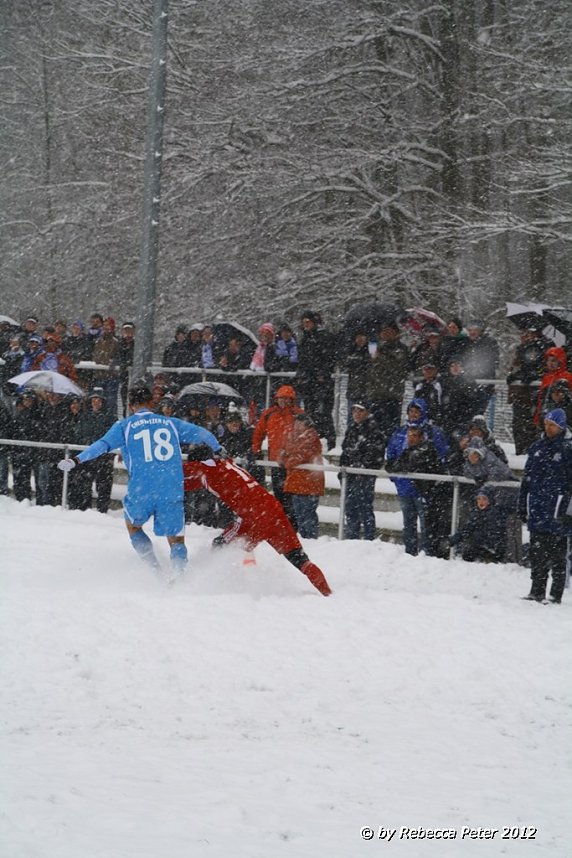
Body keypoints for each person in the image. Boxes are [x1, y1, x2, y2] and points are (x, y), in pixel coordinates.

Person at [57, 382, 221, 574]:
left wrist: (76, 460)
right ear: (152, 402)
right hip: (170, 486)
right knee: (176, 538)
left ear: (129, 405)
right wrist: (218, 449)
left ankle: (155, 571)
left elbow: (101, 445)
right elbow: (204, 434)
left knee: (134, 527)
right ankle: (179, 575)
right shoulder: (171, 423)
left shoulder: (124, 426)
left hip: (142, 487)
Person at [183, 446, 332, 596]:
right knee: (299, 559)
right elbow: (195, 481)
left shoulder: (206, 468)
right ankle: (328, 593)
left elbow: (179, 472)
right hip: (273, 511)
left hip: (253, 516)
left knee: (220, 545)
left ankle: (212, 584)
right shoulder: (226, 464)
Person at [518, 409, 572, 604]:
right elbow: (526, 480)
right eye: (547, 424)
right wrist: (522, 505)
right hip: (537, 508)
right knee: (537, 553)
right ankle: (536, 590)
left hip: (558, 509)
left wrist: (568, 510)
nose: (548, 428)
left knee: (558, 555)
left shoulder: (568, 449)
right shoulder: (537, 447)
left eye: (553, 425)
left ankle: (555, 594)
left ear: (561, 426)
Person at [386, 423, 450, 558]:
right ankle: (410, 552)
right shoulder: (407, 451)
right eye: (409, 436)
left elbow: (413, 465)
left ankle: (425, 552)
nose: (411, 438)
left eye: (414, 436)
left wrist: (402, 466)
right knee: (409, 524)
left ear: (421, 437)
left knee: (425, 525)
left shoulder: (428, 450)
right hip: (407, 491)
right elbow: (394, 466)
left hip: (423, 493)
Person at [251, 384, 304, 527]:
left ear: (292, 400)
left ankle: (293, 527)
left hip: (293, 465)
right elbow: (258, 433)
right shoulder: (269, 414)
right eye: (281, 398)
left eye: (287, 399)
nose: (284, 401)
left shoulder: (299, 415)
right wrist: (256, 450)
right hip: (275, 463)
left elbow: (307, 437)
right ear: (276, 399)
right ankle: (282, 526)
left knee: (292, 499)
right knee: (279, 496)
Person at [339, 401, 385, 540]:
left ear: (367, 412)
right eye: (354, 411)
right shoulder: (352, 429)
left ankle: (369, 539)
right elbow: (345, 450)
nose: (356, 414)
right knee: (350, 508)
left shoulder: (374, 431)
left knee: (365, 509)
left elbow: (376, 454)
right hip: (350, 475)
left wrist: (362, 466)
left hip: (365, 476)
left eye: (360, 411)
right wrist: (345, 468)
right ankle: (352, 538)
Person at [506, 325, 555, 454]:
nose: (524, 336)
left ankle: (534, 451)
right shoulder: (521, 349)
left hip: (537, 394)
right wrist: (515, 375)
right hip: (520, 394)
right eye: (523, 333)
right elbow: (516, 367)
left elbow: (548, 366)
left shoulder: (546, 346)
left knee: (534, 424)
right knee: (519, 424)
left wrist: (535, 374)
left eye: (528, 333)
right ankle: (520, 451)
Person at [295, 310, 338, 450]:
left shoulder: (324, 337)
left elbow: (330, 358)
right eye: (304, 322)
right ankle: (313, 440)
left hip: (322, 382)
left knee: (323, 411)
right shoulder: (305, 339)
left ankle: (330, 442)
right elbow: (302, 360)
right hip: (309, 382)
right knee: (310, 411)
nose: (306, 325)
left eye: (308, 322)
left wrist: (322, 372)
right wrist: (301, 375)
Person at [281, 413, 325, 539]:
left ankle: (311, 540)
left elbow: (300, 455)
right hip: (298, 483)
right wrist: (288, 458)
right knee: (301, 516)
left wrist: (287, 460)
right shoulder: (293, 437)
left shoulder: (311, 437)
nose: (296, 425)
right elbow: (285, 453)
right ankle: (307, 540)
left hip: (308, 484)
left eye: (299, 423)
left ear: (306, 424)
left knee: (307, 516)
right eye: (296, 423)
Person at [367, 321, 411, 440]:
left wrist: (380, 357)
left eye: (389, 331)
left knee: (391, 428)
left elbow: (398, 368)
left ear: (396, 333)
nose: (385, 334)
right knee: (374, 428)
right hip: (375, 393)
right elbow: (369, 367)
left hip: (393, 395)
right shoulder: (375, 347)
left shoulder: (401, 348)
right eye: (383, 331)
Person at [448, 486, 507, 563]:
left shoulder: (495, 514)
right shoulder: (476, 513)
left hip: (491, 549)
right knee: (467, 554)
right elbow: (468, 528)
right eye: (478, 499)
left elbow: (498, 534)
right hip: (479, 546)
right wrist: (457, 537)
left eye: (484, 499)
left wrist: (496, 549)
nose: (481, 502)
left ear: (490, 501)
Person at [461, 319, 500, 412]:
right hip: (467, 383)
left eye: (475, 330)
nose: (472, 332)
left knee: (479, 411)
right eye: (470, 330)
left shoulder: (489, 342)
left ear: (481, 331)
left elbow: (492, 361)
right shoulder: (466, 342)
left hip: (484, 382)